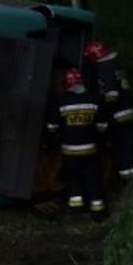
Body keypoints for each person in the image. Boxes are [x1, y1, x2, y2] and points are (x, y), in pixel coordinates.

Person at [46, 67, 110, 220]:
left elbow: (52, 128)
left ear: (66, 84)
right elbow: (103, 127)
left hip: (70, 151)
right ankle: (98, 211)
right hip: (90, 150)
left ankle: (76, 209)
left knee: (73, 179)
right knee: (93, 179)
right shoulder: (94, 100)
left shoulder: (61, 102)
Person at [84, 40, 133, 184]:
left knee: (122, 148)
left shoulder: (104, 68)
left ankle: (130, 181)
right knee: (132, 146)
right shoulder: (115, 65)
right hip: (129, 112)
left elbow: (112, 95)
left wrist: (100, 113)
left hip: (118, 116)